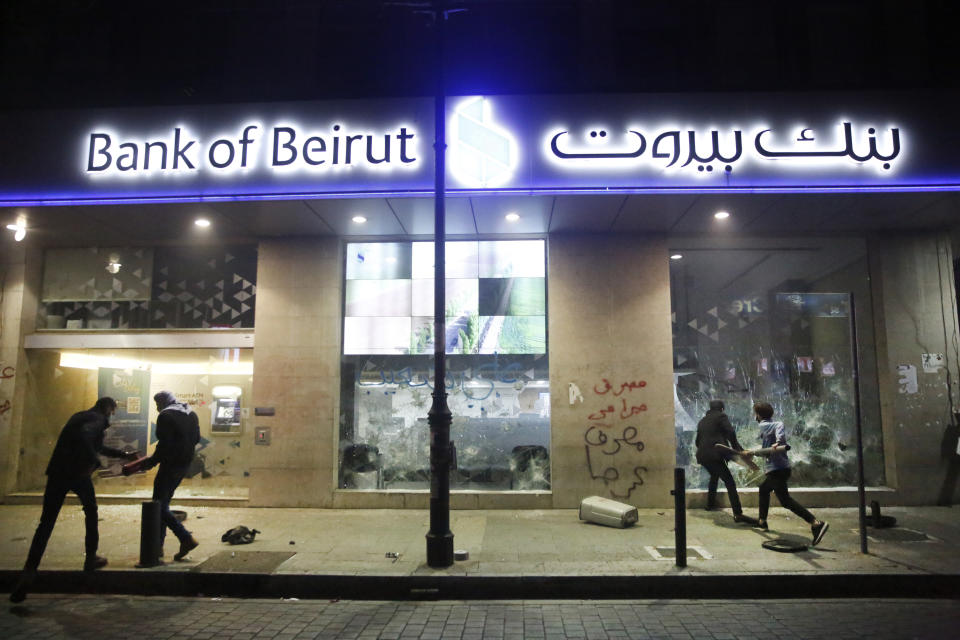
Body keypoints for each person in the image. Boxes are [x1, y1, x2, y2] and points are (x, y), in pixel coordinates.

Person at [10, 397, 139, 603]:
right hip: (77, 474)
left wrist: (123, 454)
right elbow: (86, 438)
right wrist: (93, 462)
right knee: (91, 511)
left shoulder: (80, 416)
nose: (111, 416)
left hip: (57, 472)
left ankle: (29, 571)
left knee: (46, 523)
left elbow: (95, 444)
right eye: (112, 412)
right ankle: (90, 558)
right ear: (106, 408)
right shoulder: (96, 419)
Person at [750, 401, 829, 546]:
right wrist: (754, 453)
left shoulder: (766, 425)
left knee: (786, 501)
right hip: (779, 468)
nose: (755, 417)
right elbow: (767, 451)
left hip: (777, 469)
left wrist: (779, 441)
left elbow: (779, 426)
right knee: (764, 489)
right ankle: (762, 521)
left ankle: (816, 523)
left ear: (759, 415)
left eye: (756, 414)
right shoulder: (767, 429)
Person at [143, 391, 200, 561]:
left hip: (170, 464)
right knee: (162, 503)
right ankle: (157, 546)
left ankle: (185, 538)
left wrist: (152, 461)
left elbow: (164, 445)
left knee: (158, 505)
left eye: (157, 403)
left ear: (163, 402)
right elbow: (196, 439)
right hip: (184, 463)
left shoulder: (165, 416)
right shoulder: (191, 413)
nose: (157, 407)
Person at [695, 399, 752, 523]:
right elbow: (730, 431)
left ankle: (710, 504)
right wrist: (737, 448)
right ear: (722, 409)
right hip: (714, 455)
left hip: (702, 456)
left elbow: (697, 441)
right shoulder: (721, 416)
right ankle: (738, 513)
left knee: (714, 476)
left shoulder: (702, 421)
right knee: (730, 482)